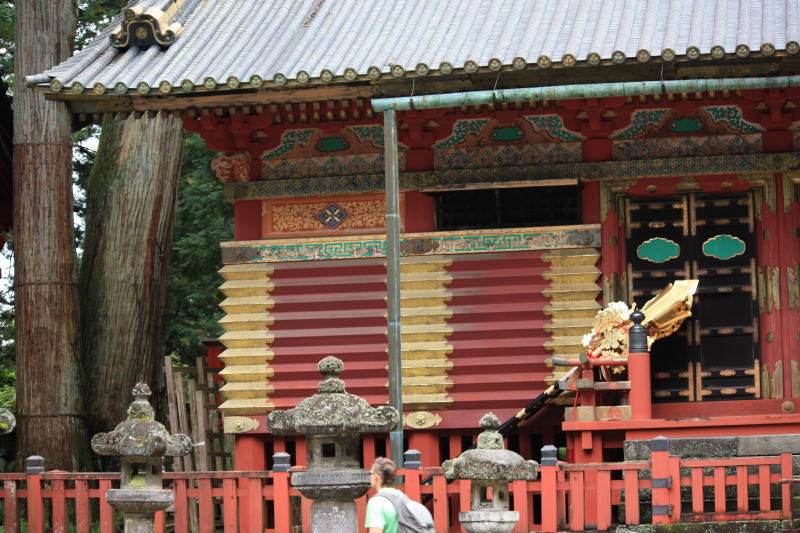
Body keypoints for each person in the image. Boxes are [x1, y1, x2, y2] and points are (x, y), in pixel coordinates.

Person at [365, 457, 403, 533]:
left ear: (376, 476)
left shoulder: (376, 502)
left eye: (370, 473)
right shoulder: (401, 496)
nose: (370, 477)